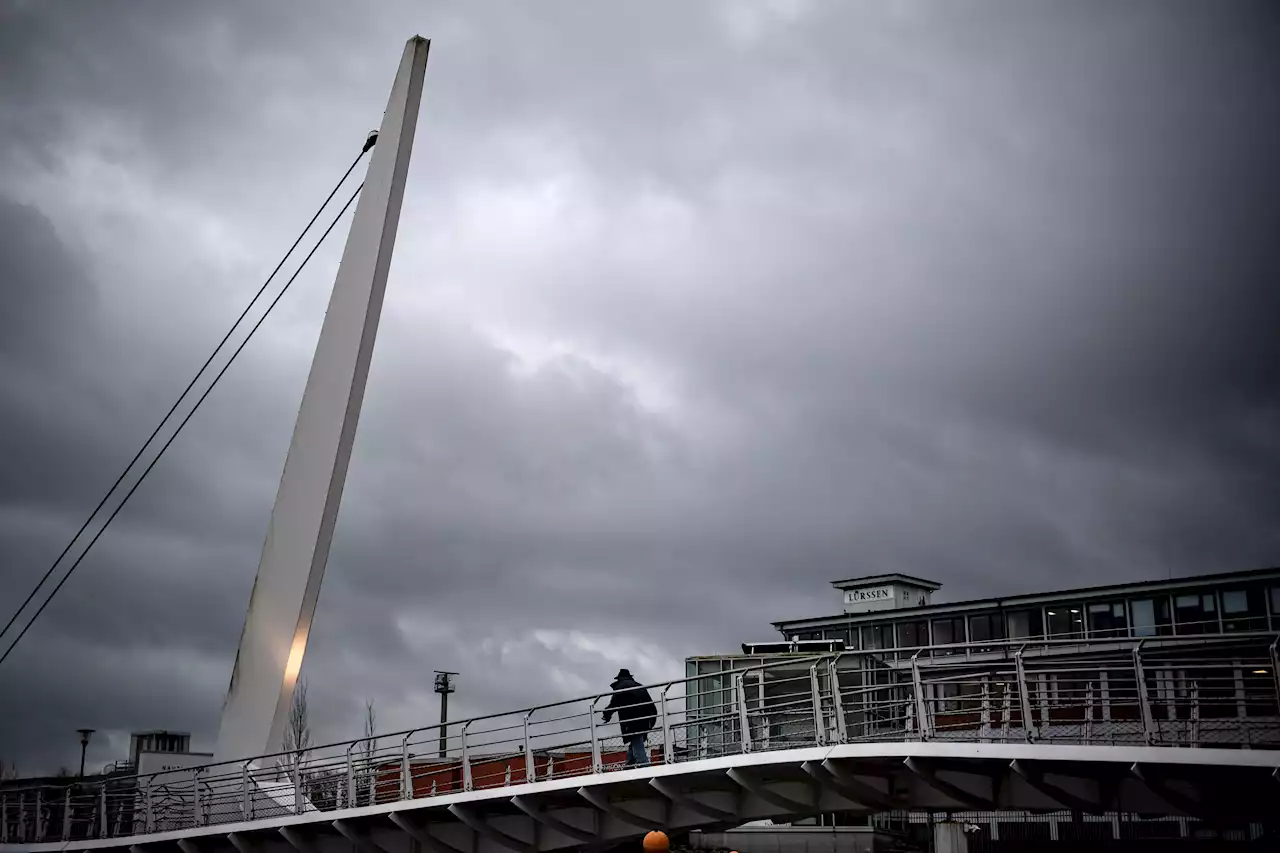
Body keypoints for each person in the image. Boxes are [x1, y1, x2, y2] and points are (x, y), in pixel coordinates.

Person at [602, 668, 657, 766]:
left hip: (631, 721)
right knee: (636, 742)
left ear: (619, 679)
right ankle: (628, 767)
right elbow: (651, 705)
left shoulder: (620, 687)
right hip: (645, 720)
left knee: (637, 748)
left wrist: (607, 714)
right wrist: (651, 721)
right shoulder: (639, 686)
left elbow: (614, 704)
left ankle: (646, 768)